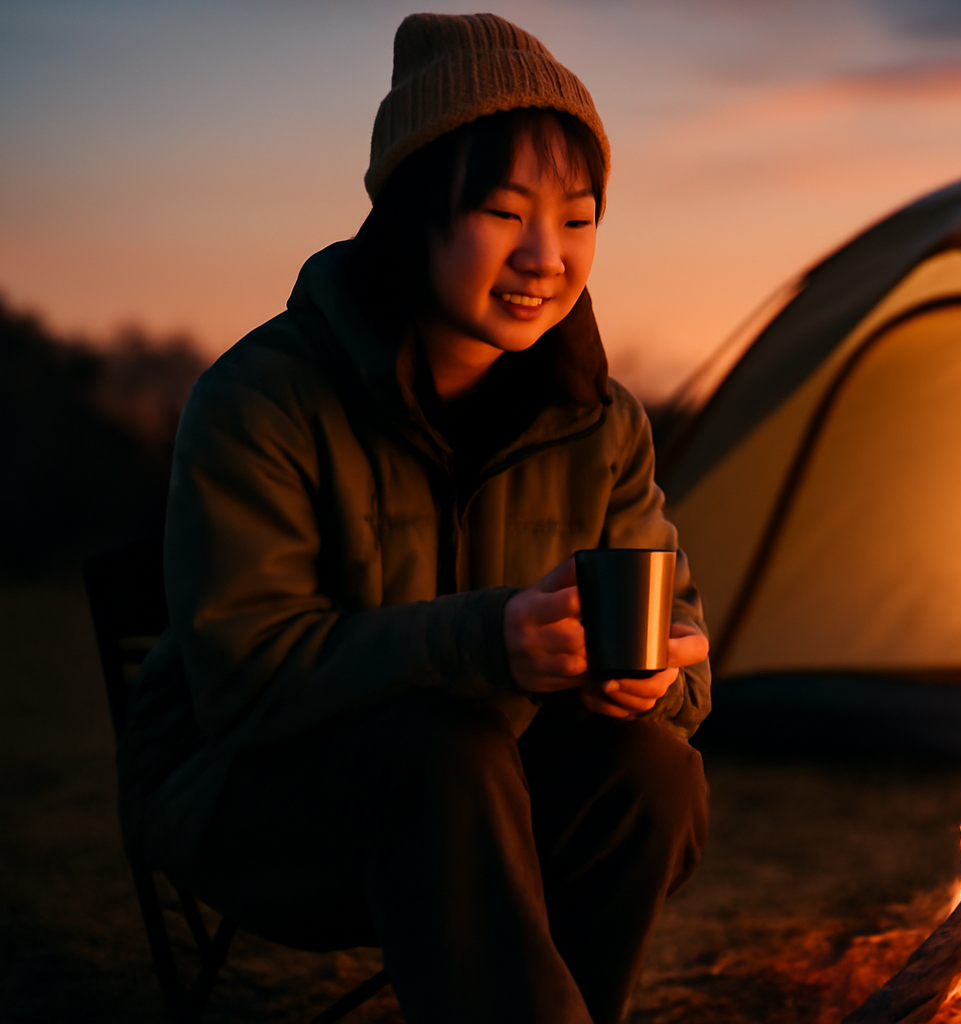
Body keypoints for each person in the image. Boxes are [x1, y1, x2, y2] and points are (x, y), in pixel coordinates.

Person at [115, 13, 710, 1023]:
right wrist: (487, 639)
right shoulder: (263, 398)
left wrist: (651, 681)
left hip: (488, 801)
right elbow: (243, 677)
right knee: (443, 746)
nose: (545, 256)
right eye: (503, 209)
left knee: (653, 771)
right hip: (263, 797)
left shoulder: (599, 422)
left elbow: (684, 671)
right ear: (410, 213)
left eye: (578, 217)